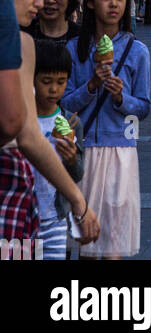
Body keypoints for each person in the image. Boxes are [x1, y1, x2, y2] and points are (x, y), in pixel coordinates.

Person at [0, 0, 99, 249]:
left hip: (19, 190)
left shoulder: (25, 45)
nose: (41, 2)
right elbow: (21, 127)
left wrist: (77, 199)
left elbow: (29, 135)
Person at [64, 0, 150, 259]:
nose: (113, 4)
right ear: (90, 3)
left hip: (121, 151)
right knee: (86, 243)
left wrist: (119, 97)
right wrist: (91, 86)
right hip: (82, 150)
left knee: (114, 244)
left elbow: (143, 107)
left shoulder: (138, 51)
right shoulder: (74, 50)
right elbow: (63, 105)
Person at [31, 39, 85, 260]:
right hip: (21, 215)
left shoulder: (71, 122)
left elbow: (78, 174)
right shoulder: (21, 121)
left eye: (61, 82)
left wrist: (72, 159)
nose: (54, 89)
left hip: (55, 218)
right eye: (46, 81)